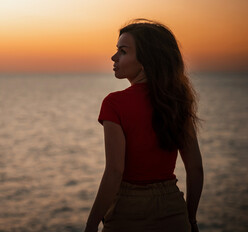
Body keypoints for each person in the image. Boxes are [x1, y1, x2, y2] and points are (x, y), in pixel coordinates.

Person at [84, 19, 204, 232]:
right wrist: (191, 219)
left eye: (122, 51)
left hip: (128, 210)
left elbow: (114, 171)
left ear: (146, 60)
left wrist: (91, 224)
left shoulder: (114, 103)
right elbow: (195, 169)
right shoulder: (176, 102)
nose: (114, 57)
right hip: (173, 210)